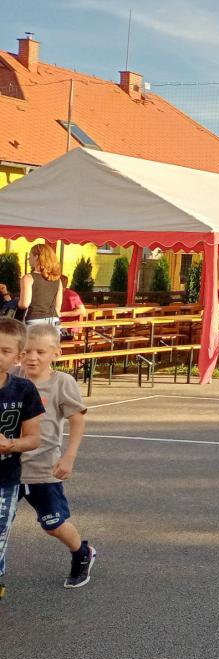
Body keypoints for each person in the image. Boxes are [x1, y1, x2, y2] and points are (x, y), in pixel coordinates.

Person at [18, 324, 95, 588]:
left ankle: (82, 552)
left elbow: (77, 420)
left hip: (43, 469)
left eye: (40, 352)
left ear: (56, 353)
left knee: (53, 524)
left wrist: (69, 457)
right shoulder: (11, 377)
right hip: (9, 467)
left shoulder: (62, 383)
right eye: (26, 351)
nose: (32, 358)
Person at [0, 317, 45, 601]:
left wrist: (10, 444)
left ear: (18, 357)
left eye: (4, 351)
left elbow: (34, 439)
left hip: (5, 481)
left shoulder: (24, 390)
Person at [19, 244, 62, 330]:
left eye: (30, 255)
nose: (28, 258)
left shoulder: (28, 278)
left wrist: (14, 303)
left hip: (34, 321)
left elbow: (24, 304)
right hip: (53, 321)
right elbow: (58, 307)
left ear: (36, 257)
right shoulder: (57, 280)